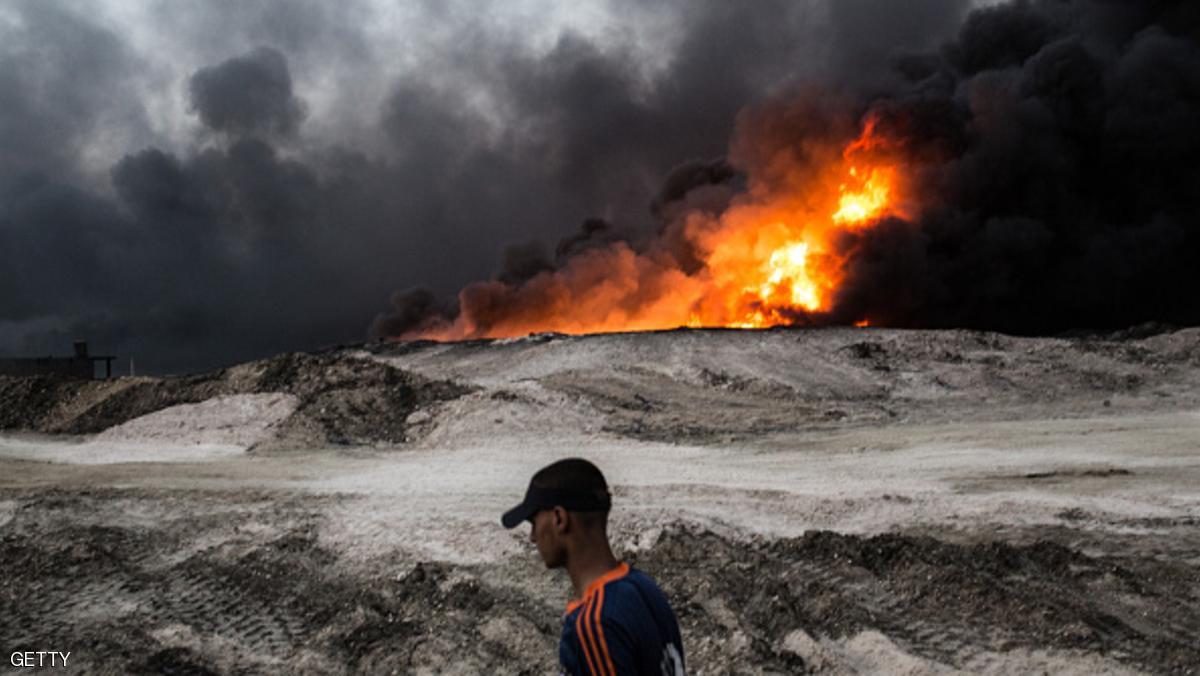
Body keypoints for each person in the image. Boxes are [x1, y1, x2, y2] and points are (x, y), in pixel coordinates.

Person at [501, 458, 686, 676]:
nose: (533, 537)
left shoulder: (595, 623)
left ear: (559, 518)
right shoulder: (644, 588)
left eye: (534, 522)